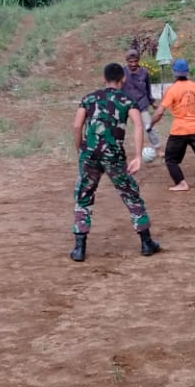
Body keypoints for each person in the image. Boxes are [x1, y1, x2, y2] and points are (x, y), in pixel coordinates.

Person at [70, 62, 161, 262]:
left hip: (90, 155)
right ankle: (146, 242)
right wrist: (138, 156)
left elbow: (77, 126)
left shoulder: (89, 98)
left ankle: (79, 248)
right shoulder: (127, 100)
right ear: (123, 79)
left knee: (84, 196)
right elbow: (138, 125)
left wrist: (81, 151)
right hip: (114, 156)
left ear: (104, 79)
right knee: (131, 195)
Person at [149, 58, 195, 191]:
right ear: (187, 72)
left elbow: (159, 112)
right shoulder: (194, 86)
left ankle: (181, 183)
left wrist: (151, 125)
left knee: (170, 159)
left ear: (174, 72)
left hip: (179, 130)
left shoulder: (171, 90)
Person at [121, 48, 160, 150]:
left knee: (149, 126)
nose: (133, 64)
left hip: (141, 104)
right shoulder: (122, 72)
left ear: (138, 60)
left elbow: (148, 88)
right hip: (126, 104)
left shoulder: (144, 72)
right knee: (119, 127)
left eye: (135, 61)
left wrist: (152, 102)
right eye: (130, 62)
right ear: (127, 61)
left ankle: (157, 147)